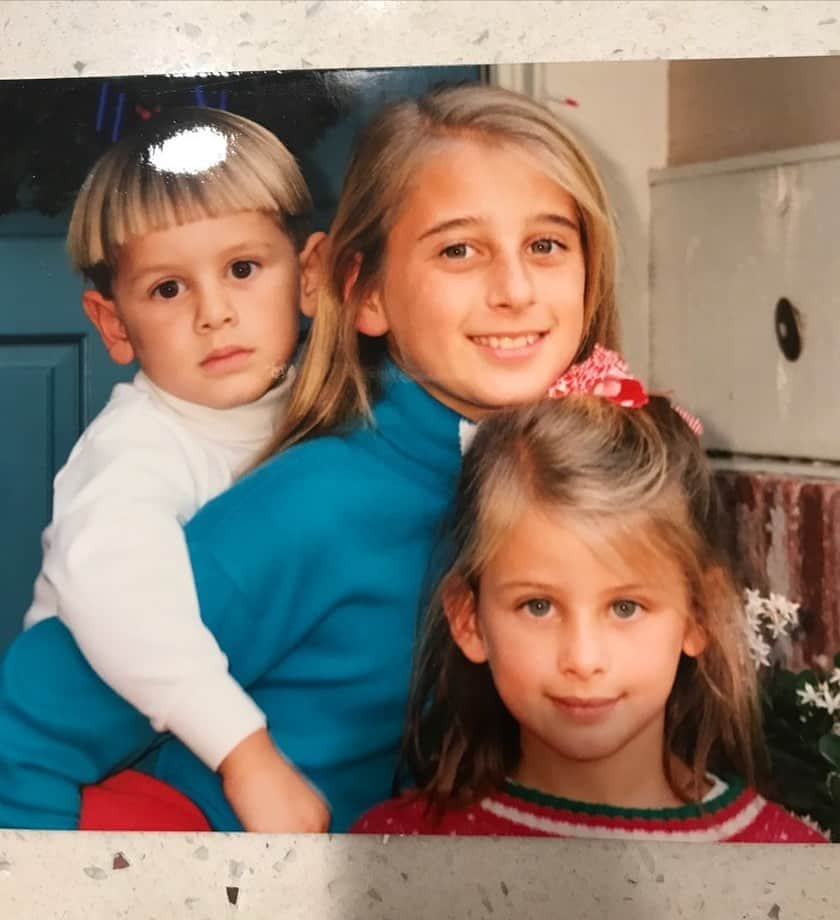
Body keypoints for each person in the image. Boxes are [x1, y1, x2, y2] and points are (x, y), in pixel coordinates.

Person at [0, 82, 620, 834]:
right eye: (460, 249)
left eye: (546, 245)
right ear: (362, 292)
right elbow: (30, 722)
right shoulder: (309, 505)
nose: (515, 290)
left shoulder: (565, 479)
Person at [19, 107, 324, 831]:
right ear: (114, 324)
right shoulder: (135, 450)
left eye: (243, 269)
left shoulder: (324, 411)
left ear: (308, 278)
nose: (214, 313)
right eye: (168, 289)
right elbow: (120, 597)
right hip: (100, 764)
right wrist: (245, 752)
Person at [352, 392, 827, 843]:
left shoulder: (787, 868)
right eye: (538, 606)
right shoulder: (399, 853)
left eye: (625, 607)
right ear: (469, 618)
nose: (582, 659)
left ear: (698, 615)